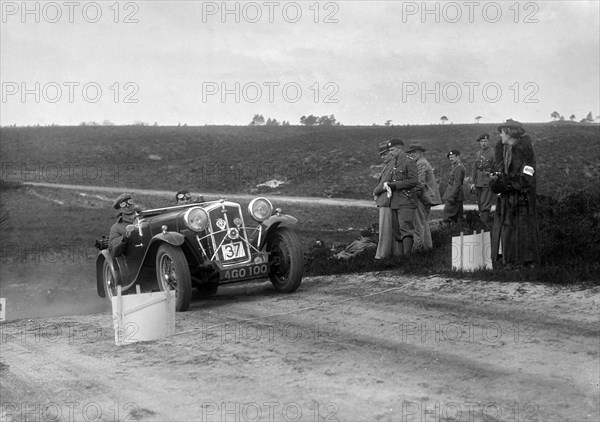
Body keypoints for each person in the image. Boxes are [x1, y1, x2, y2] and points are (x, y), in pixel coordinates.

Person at [489, 119, 541, 267]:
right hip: (506, 200)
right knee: (507, 230)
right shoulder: (503, 151)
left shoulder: (527, 154)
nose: (500, 135)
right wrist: (495, 182)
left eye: (502, 132)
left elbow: (527, 178)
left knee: (524, 231)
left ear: (510, 133)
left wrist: (508, 184)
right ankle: (509, 262)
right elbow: (498, 172)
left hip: (522, 200)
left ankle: (526, 263)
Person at [384, 138, 419, 255]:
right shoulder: (394, 163)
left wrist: (394, 185)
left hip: (406, 200)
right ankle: (401, 258)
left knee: (406, 229)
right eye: (389, 150)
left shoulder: (409, 162)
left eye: (392, 150)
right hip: (395, 201)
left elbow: (414, 181)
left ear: (399, 149)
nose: (390, 152)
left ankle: (407, 258)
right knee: (397, 231)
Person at [406, 142, 442, 250]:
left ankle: (417, 250)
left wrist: (412, 196)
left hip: (422, 198)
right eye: (411, 152)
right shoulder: (422, 162)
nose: (412, 154)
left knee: (418, 224)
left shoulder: (421, 164)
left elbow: (420, 184)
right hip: (426, 197)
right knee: (424, 223)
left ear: (421, 152)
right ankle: (428, 248)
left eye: (414, 152)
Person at [373, 141, 401, 259]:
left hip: (386, 201)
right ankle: (394, 254)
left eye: (385, 154)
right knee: (392, 229)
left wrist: (375, 191)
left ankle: (383, 256)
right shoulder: (390, 164)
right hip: (388, 201)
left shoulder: (391, 165)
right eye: (382, 155)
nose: (383, 157)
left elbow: (384, 182)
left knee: (385, 230)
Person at [469, 134, 496, 227]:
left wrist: (493, 176)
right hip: (478, 182)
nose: (483, 143)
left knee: (485, 204)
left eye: (485, 141)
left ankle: (484, 225)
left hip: (488, 181)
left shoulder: (493, 153)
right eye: (481, 142)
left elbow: (496, 167)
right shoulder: (478, 153)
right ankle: (482, 224)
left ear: (488, 142)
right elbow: (474, 168)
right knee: (480, 203)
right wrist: (473, 182)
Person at [108, 193, 137, 257]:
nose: (128, 206)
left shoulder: (145, 217)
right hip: (134, 257)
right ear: (120, 209)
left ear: (133, 203)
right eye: (123, 205)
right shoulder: (116, 227)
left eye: (130, 202)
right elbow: (113, 250)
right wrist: (125, 236)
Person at [442, 150, 466, 225]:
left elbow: (457, 183)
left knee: (447, 216)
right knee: (458, 218)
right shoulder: (456, 166)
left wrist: (452, 196)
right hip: (457, 195)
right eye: (450, 157)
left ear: (458, 157)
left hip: (455, 195)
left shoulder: (458, 167)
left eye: (452, 157)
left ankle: (447, 234)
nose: (451, 159)